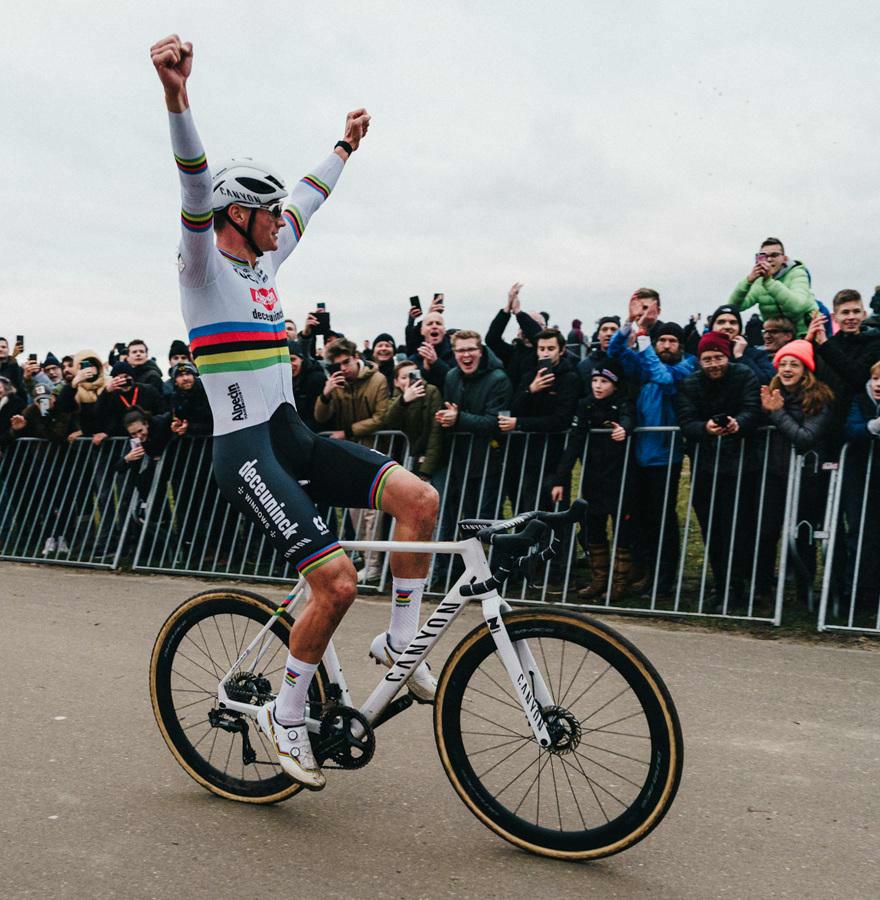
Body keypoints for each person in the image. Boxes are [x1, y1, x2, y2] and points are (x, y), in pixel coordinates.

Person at [152, 34, 438, 790]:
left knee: (419, 500)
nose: (284, 219)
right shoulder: (202, 267)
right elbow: (192, 186)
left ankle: (402, 650)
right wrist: (177, 97)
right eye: (270, 211)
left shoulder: (267, 260)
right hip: (244, 450)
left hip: (294, 438)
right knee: (338, 583)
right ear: (239, 214)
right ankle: (284, 717)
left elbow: (312, 194)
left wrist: (345, 145)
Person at [608, 319, 697, 599]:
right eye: (662, 341)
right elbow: (617, 352)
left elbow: (665, 378)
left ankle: (665, 577)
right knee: (642, 518)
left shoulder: (686, 366)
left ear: (680, 345)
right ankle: (646, 571)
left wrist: (645, 341)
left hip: (665, 457)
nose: (667, 346)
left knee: (663, 520)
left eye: (672, 341)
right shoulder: (646, 364)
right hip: (640, 455)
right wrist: (627, 326)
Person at [674, 333, 761, 608]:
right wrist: (705, 428)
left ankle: (740, 585)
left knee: (739, 528)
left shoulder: (744, 374)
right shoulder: (690, 383)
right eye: (707, 359)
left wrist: (739, 424)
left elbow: (753, 408)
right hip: (707, 465)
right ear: (699, 360)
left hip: (742, 465)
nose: (713, 364)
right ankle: (721, 583)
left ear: (727, 356)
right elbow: (686, 420)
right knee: (712, 529)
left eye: (718, 358)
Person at [758, 340, 836, 606]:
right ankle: (763, 589)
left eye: (795, 364)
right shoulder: (771, 394)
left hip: (808, 476)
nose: (788, 369)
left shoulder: (820, 398)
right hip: (776, 473)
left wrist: (777, 414)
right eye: (783, 363)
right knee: (767, 531)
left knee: (803, 534)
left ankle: (805, 593)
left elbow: (805, 438)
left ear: (806, 369)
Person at [550, 361, 635, 600]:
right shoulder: (585, 405)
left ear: (614, 385)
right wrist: (560, 479)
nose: (598, 386)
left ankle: (619, 582)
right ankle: (599, 579)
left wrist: (624, 429)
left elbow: (629, 417)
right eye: (595, 380)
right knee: (593, 527)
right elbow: (574, 443)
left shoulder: (623, 403)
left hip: (621, 477)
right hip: (593, 477)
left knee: (623, 529)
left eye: (604, 381)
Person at [842, 360, 880, 615]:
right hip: (861, 477)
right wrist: (872, 427)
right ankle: (856, 595)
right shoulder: (860, 399)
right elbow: (849, 429)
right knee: (861, 535)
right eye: (877, 379)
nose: (879, 385)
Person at [727, 237, 818, 337]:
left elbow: (797, 307)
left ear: (784, 259)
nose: (769, 259)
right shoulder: (759, 282)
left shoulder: (798, 273)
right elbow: (733, 307)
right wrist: (748, 281)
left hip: (804, 334)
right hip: (777, 339)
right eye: (764, 256)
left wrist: (769, 282)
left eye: (774, 255)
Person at [382, 361, 444, 480]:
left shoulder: (431, 392)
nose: (409, 380)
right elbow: (388, 422)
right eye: (404, 377)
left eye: (413, 375)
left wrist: (426, 470)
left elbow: (435, 432)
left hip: (425, 459)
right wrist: (404, 401)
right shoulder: (395, 398)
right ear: (396, 382)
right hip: (402, 459)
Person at [485, 282, 545, 389]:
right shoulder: (513, 352)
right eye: (522, 326)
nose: (526, 330)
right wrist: (506, 310)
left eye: (536, 324)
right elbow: (491, 340)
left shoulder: (547, 353)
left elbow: (539, 338)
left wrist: (519, 313)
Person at [289, 340, 326, 432]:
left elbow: (319, 418)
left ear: (302, 359)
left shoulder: (316, 378)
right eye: (285, 361)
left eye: (292, 359)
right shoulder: (284, 381)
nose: (289, 365)